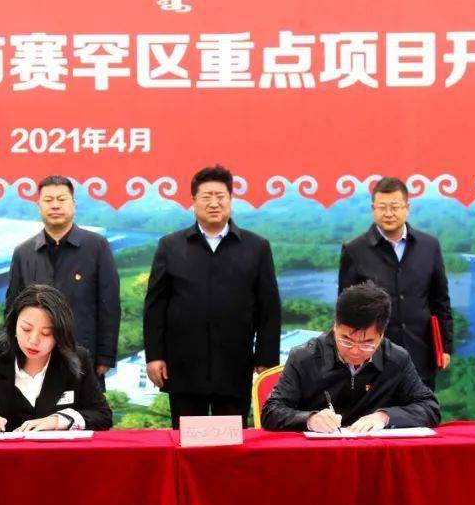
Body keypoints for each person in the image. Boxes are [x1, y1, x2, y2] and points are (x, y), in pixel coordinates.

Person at [143, 164, 281, 428]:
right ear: (193, 201)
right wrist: (155, 356)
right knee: (186, 439)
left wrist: (266, 359)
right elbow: (155, 306)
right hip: (183, 365)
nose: (214, 203)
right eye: (206, 197)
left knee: (230, 441)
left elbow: (269, 308)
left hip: (235, 363)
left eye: (221, 196)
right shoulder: (171, 246)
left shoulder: (256, 247)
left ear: (230, 200)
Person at [261, 282, 440, 432]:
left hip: (374, 453)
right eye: (346, 340)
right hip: (319, 454)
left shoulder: (396, 359)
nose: (355, 351)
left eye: (367, 343)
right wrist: (309, 419)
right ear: (335, 326)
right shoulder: (304, 357)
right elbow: (271, 412)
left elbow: (429, 407)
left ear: (381, 335)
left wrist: (384, 416)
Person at [338, 176, 453, 388]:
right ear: (373, 209)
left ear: (407, 208)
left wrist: (445, 347)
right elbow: (345, 310)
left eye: (395, 207)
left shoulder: (429, 246)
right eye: (382, 207)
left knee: (421, 406)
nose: (389, 213)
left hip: (421, 352)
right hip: (373, 357)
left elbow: (440, 300)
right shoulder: (355, 250)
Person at [0, 284, 112, 432]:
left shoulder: (78, 359)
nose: (34, 340)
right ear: (14, 326)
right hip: (5, 452)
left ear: (60, 335)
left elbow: (102, 415)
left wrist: (59, 421)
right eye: (26, 329)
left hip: (58, 452)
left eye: (46, 333)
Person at [6, 175, 120, 380]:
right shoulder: (24, 252)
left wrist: (106, 355)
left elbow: (109, 305)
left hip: (83, 356)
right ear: (39, 206)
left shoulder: (96, 246)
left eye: (62, 199)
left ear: (73, 204)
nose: (55, 205)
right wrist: (11, 352)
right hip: (33, 358)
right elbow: (12, 309)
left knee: (82, 402)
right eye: (48, 200)